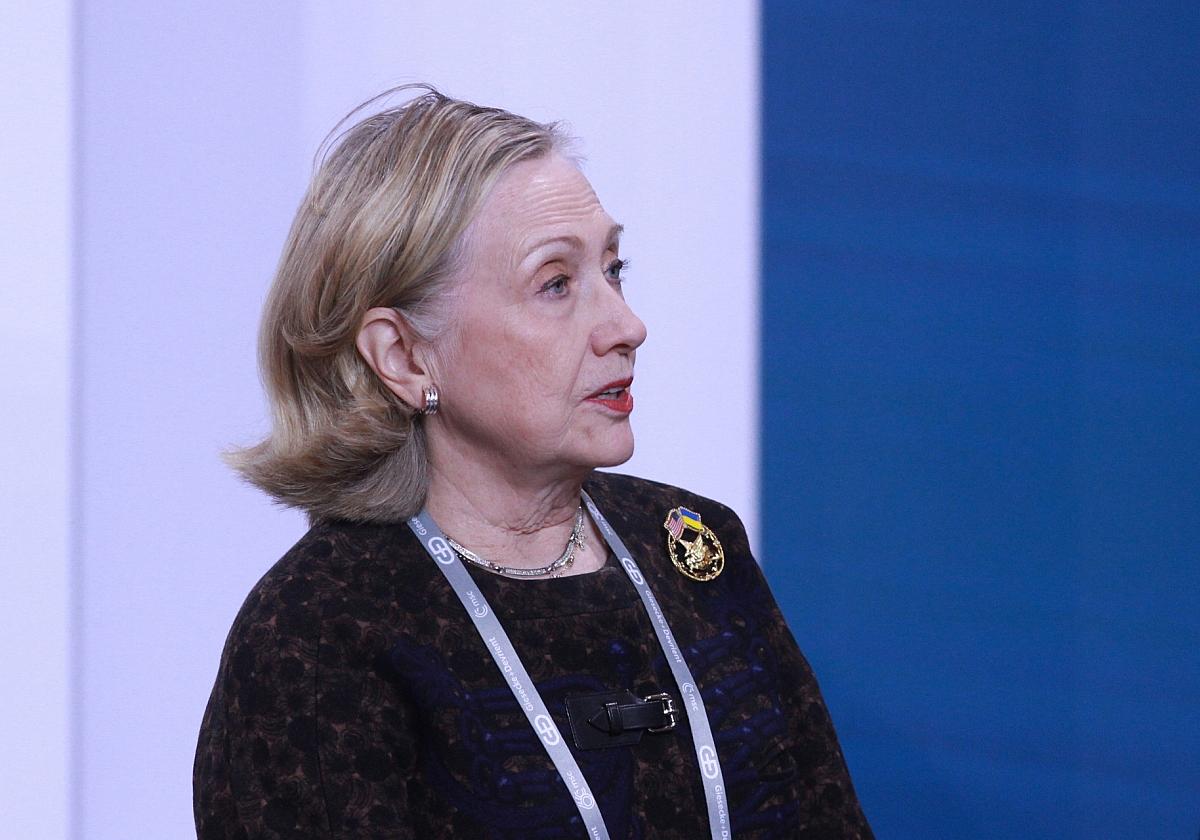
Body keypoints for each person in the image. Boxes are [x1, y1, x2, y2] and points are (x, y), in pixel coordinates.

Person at [193, 85, 872, 839]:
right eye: (555, 284)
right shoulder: (319, 629)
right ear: (405, 355)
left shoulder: (693, 548)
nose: (626, 325)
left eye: (613, 268)